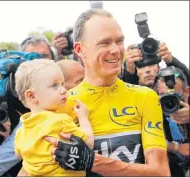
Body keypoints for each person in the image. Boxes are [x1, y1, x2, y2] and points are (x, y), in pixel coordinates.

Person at [44, 9, 170, 176]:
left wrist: (93, 161)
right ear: (79, 49)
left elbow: (161, 172)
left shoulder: (145, 96)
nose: (116, 50)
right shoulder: (61, 103)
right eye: (104, 43)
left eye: (119, 41)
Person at [14, 59, 93, 176]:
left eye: (63, 84)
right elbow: (89, 143)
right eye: (54, 86)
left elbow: (19, 155)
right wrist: (83, 117)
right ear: (32, 96)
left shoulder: (22, 131)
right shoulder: (60, 121)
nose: (63, 90)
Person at [122, 43, 190, 86]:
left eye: (151, 65)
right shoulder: (129, 85)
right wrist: (129, 72)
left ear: (158, 68)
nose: (147, 70)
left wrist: (171, 60)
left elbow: (186, 83)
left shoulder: (167, 88)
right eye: (141, 67)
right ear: (135, 71)